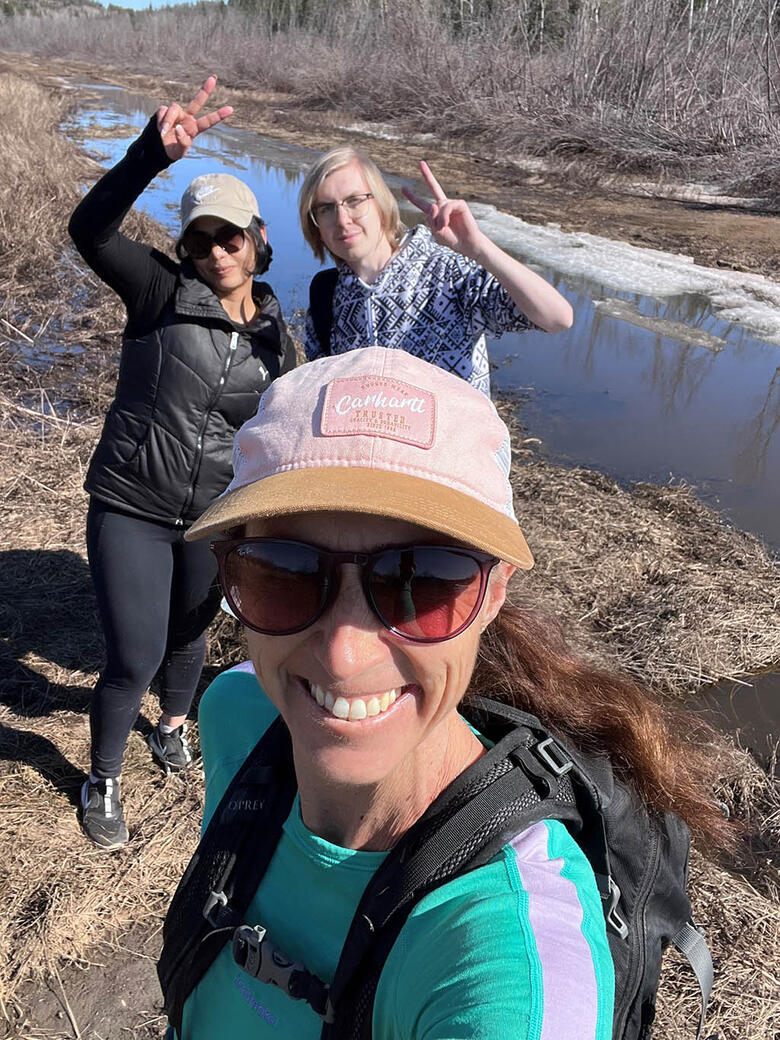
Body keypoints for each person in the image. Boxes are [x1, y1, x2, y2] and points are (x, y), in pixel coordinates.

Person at [162, 347, 728, 1038]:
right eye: (284, 569)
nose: (345, 652)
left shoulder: (510, 956)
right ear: (231, 572)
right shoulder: (239, 711)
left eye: (420, 579)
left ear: (493, 595)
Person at [68, 76, 296, 850]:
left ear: (257, 240)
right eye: (200, 239)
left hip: (210, 519)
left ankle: (172, 727)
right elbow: (90, 228)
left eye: (230, 237)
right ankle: (102, 777)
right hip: (132, 503)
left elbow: (277, 436)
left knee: (190, 637)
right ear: (185, 246)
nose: (216, 252)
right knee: (132, 655)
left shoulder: (275, 338)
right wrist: (145, 157)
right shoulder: (158, 292)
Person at [298, 150, 573, 394]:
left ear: (381, 204)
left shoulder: (448, 272)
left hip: (456, 450)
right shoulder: (326, 294)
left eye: (355, 200)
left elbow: (557, 318)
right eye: (326, 208)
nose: (343, 220)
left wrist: (479, 249)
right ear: (315, 223)